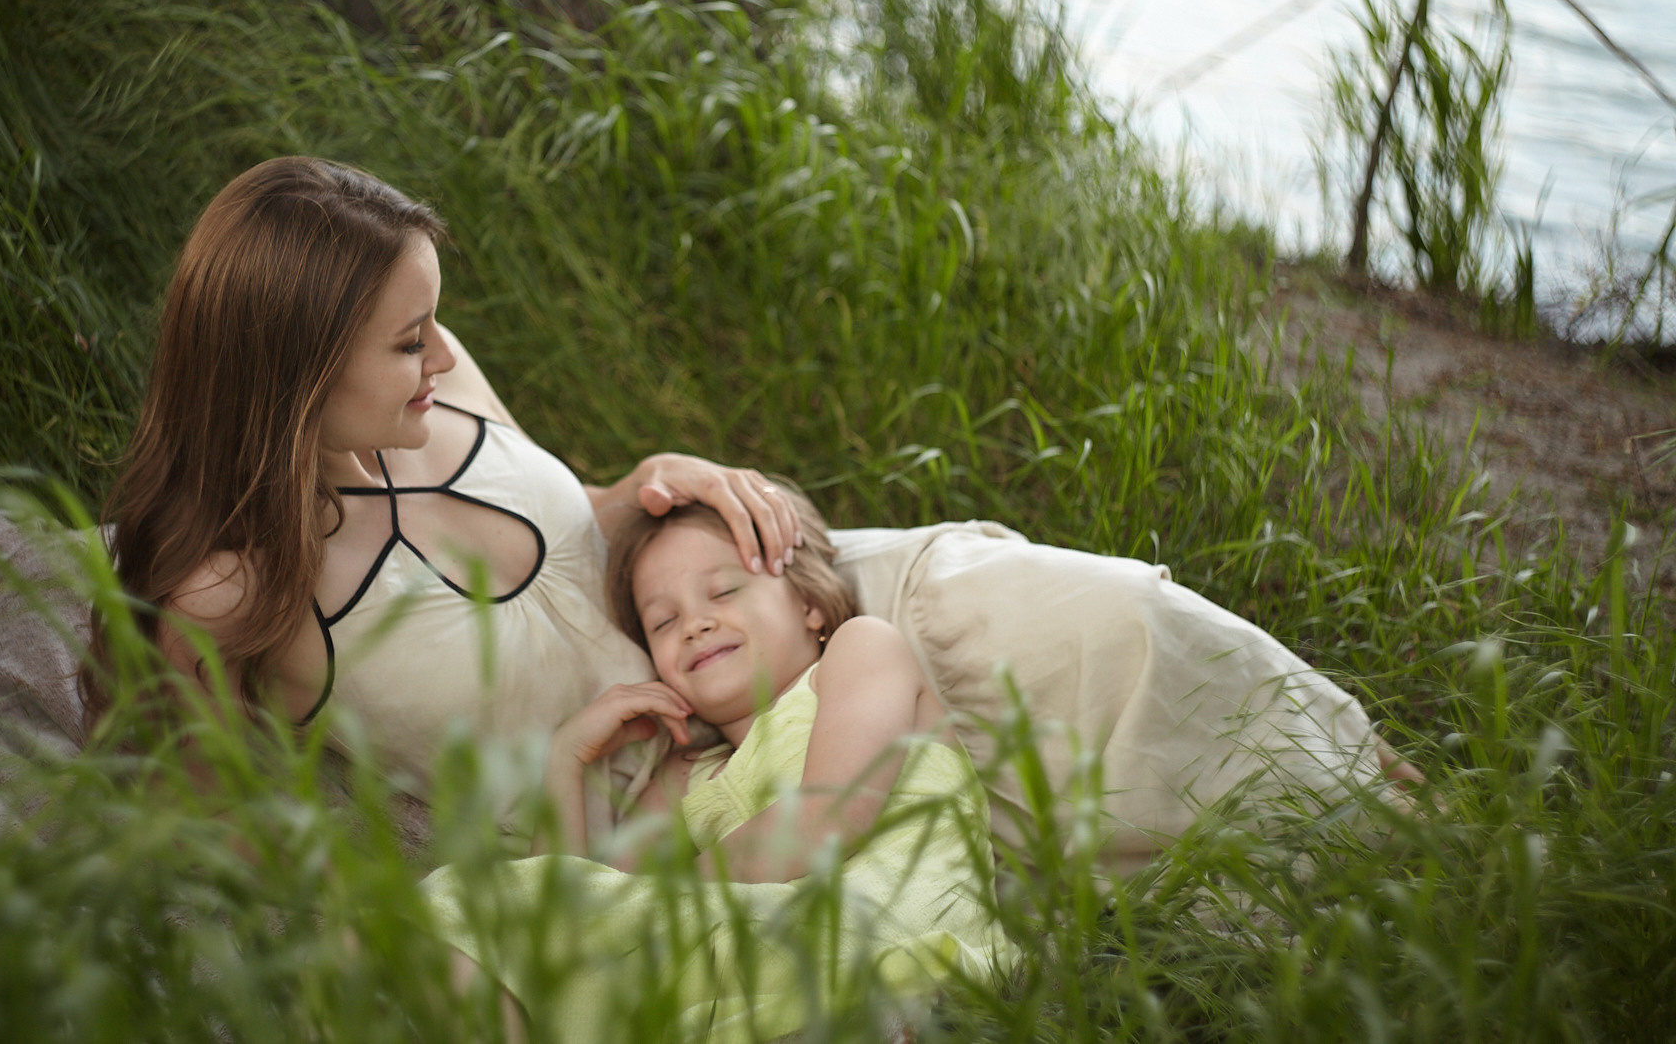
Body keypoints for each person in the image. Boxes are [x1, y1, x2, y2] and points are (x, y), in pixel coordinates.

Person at [90, 154, 1412, 852]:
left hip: (772, 623)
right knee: (1055, 812)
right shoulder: (225, 592)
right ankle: (1359, 858)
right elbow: (212, 831)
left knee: (1111, 618)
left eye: (435, 320)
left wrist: (655, 484)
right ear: (293, 365)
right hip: (676, 788)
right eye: (405, 341)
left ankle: (1397, 796)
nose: (441, 355)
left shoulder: (434, 389)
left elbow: (568, 526)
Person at [420, 490, 1013, 1042]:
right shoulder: (680, 779)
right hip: (759, 964)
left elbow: (823, 825)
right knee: (473, 922)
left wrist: (650, 898)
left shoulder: (860, 651)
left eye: (724, 592)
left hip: (889, 932)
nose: (695, 625)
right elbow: (568, 923)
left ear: (809, 604)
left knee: (459, 902)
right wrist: (564, 761)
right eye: (663, 622)